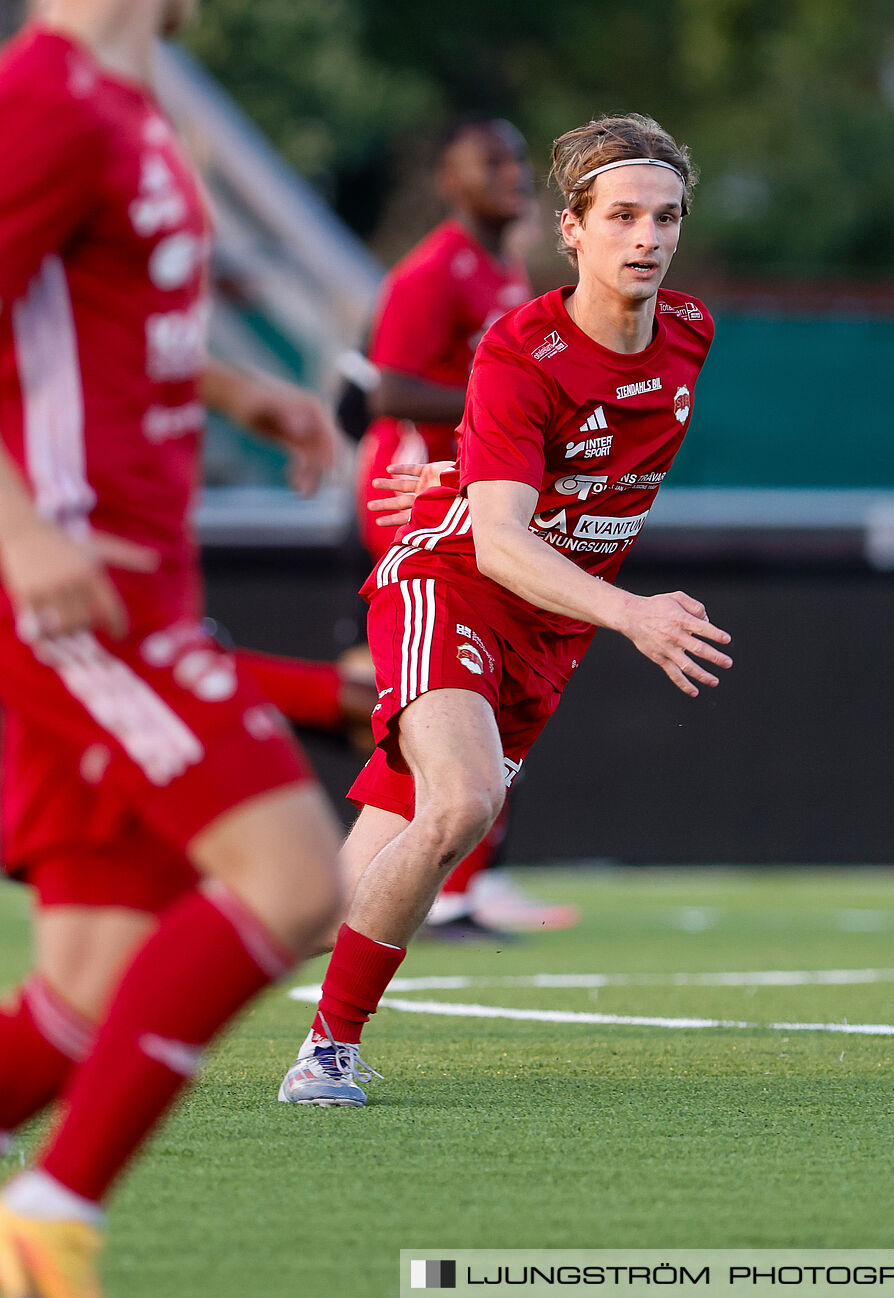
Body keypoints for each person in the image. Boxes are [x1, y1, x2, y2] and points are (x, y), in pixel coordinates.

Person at [281, 112, 732, 1107]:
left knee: (324, 905)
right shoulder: (517, 345)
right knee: (463, 799)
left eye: (664, 216)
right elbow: (499, 539)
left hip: (547, 624)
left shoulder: (691, 332)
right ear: (570, 230)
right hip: (453, 581)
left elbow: (568, 458)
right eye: (620, 215)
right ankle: (325, 1053)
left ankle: (132, 975)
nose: (646, 237)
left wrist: (467, 471)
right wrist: (632, 613)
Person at [0, 1, 345, 1293]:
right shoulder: (44, 98)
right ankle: (49, 1218)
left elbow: (94, 309)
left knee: (82, 994)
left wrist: (232, 387)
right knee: (299, 876)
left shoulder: (130, 102)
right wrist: (23, 534)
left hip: (132, 582)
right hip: (79, 593)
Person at [354, 114, 572, 940]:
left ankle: (471, 872)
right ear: (449, 180)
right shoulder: (431, 272)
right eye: (491, 162)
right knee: (448, 684)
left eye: (517, 160)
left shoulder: (504, 267)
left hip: (477, 492)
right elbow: (389, 391)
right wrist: (512, 409)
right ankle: (444, 884)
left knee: (501, 675)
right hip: (414, 497)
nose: (512, 173)